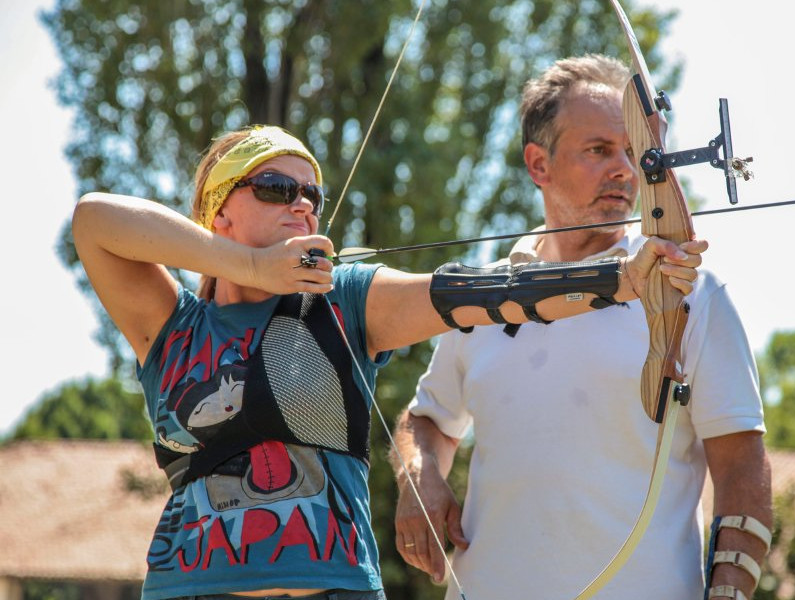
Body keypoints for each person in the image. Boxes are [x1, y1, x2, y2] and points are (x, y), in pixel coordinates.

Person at [71, 124, 706, 600]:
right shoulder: (173, 326)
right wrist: (251, 267)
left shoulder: (344, 301)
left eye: (311, 194)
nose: (302, 204)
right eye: (275, 188)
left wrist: (623, 277)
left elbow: (486, 294)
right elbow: (93, 220)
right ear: (220, 215)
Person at [391, 55, 772, 600]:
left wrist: (730, 590)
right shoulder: (486, 296)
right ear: (538, 165)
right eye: (598, 150)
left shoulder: (690, 292)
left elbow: (742, 469)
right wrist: (418, 474)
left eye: (635, 152)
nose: (624, 169)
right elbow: (427, 422)